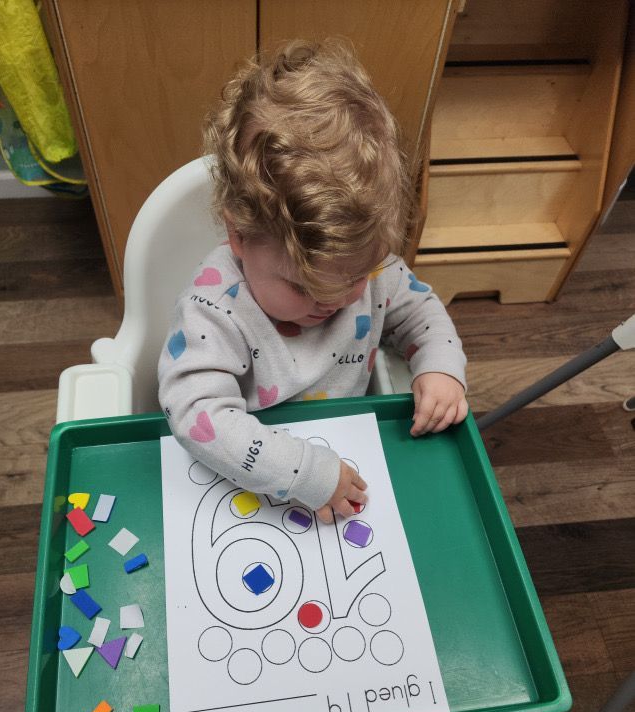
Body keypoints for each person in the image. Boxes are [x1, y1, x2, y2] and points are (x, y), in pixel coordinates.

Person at [158, 38, 468, 523]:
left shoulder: (371, 267)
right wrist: (302, 473)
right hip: (259, 471)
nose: (339, 300)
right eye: (303, 287)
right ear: (239, 237)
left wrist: (440, 366)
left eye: (356, 277)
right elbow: (199, 418)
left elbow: (420, 311)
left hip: (351, 444)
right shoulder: (214, 307)